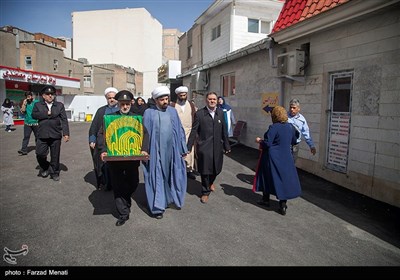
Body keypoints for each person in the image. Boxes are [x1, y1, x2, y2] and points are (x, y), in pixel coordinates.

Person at [141, 86, 188, 219]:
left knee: (171, 175)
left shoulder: (173, 112)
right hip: (155, 152)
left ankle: (167, 199)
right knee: (156, 176)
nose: (165, 101)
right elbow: (144, 134)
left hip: (171, 151)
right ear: (156, 100)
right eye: (162, 99)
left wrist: (183, 148)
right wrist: (144, 151)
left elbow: (179, 130)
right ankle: (157, 208)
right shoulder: (149, 113)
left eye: (166, 99)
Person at [98, 90, 143, 226]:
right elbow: (103, 135)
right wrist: (104, 150)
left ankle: (126, 198)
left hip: (132, 159)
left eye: (127, 104)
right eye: (122, 104)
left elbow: (145, 134)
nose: (125, 106)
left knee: (133, 182)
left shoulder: (137, 118)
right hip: (114, 160)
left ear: (131, 103)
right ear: (118, 104)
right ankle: (123, 213)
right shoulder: (109, 118)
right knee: (117, 185)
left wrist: (144, 149)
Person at [253, 105, 301, 215]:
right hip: (286, 157)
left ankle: (265, 200)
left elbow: (267, 143)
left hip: (272, 157)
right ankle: (282, 205)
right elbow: (294, 140)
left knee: (267, 177)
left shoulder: (273, 127)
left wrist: (259, 141)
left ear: (274, 115)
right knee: (283, 179)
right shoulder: (291, 127)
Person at [187, 92, 231, 204]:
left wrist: (226, 144)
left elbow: (224, 130)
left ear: (217, 101)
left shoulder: (220, 113)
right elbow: (194, 130)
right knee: (205, 170)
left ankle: (211, 182)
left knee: (216, 169)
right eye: (210, 99)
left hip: (217, 146)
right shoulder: (200, 114)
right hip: (204, 146)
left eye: (214, 99)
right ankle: (205, 192)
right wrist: (189, 145)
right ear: (206, 100)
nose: (212, 101)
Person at [32, 85, 70, 181]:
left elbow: (64, 120)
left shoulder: (59, 105)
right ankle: (45, 167)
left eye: (52, 94)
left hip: (55, 134)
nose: (50, 96)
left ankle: (54, 172)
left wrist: (66, 133)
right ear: (43, 96)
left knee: (55, 155)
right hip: (42, 134)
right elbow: (34, 115)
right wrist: (46, 114)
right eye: (47, 94)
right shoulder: (38, 105)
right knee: (40, 154)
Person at [88, 87, 119, 190]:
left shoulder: (121, 110)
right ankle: (104, 184)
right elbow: (94, 126)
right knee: (102, 164)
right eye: (109, 98)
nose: (111, 100)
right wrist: (92, 140)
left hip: (117, 143)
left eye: (114, 97)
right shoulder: (101, 111)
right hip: (103, 142)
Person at [170, 86, 198, 179]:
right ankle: (177, 170)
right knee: (178, 151)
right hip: (177, 132)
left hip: (189, 131)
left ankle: (189, 170)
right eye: (180, 95)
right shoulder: (172, 105)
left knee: (189, 151)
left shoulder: (191, 105)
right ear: (177, 95)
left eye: (184, 95)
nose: (182, 97)